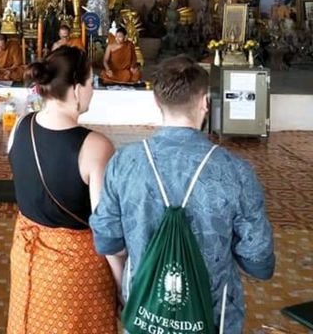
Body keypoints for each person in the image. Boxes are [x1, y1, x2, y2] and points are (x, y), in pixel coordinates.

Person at [91, 55, 274, 333]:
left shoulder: (125, 163)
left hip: (145, 309)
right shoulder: (235, 170)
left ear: (157, 102)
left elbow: (106, 241)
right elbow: (260, 262)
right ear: (204, 103)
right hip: (213, 314)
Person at [7, 46, 118, 334]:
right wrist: (124, 284)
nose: (93, 90)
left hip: (26, 258)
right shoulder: (96, 147)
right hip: (74, 275)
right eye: (92, 83)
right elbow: (106, 231)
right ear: (77, 89)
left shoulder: (20, 125)